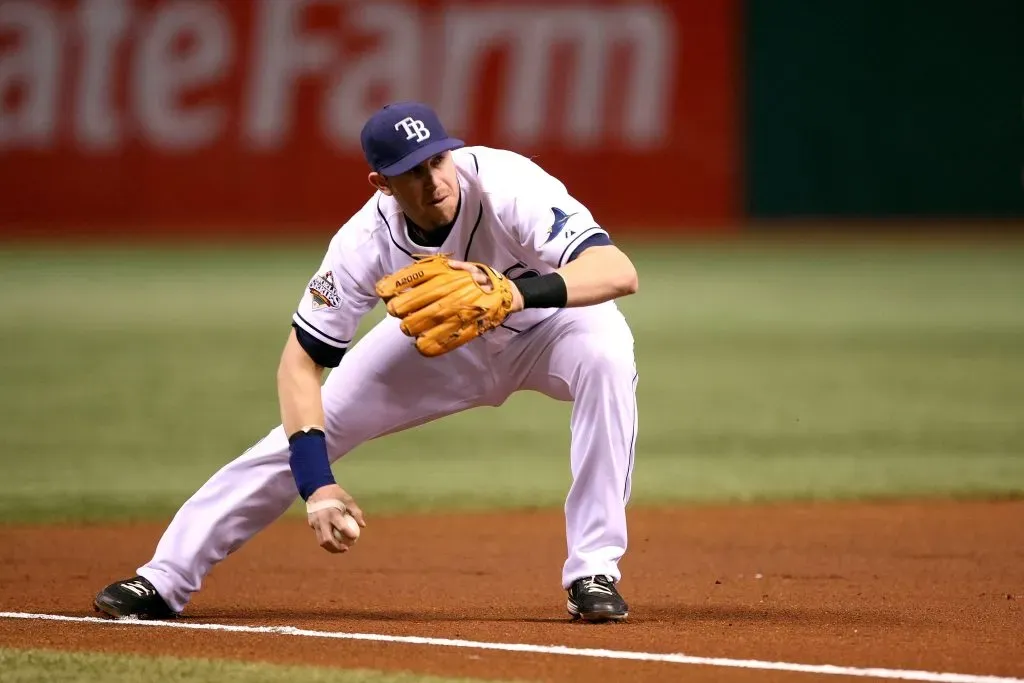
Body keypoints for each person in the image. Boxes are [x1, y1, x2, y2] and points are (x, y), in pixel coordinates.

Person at [93, 101, 640, 623]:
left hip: (552, 328)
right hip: (438, 346)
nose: (434, 180)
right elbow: (300, 365)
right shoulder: (362, 241)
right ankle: (164, 578)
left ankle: (593, 572)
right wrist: (317, 486)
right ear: (381, 183)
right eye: (412, 172)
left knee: (608, 357)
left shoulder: (506, 183)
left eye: (438, 160)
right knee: (301, 431)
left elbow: (617, 271)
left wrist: (515, 294)